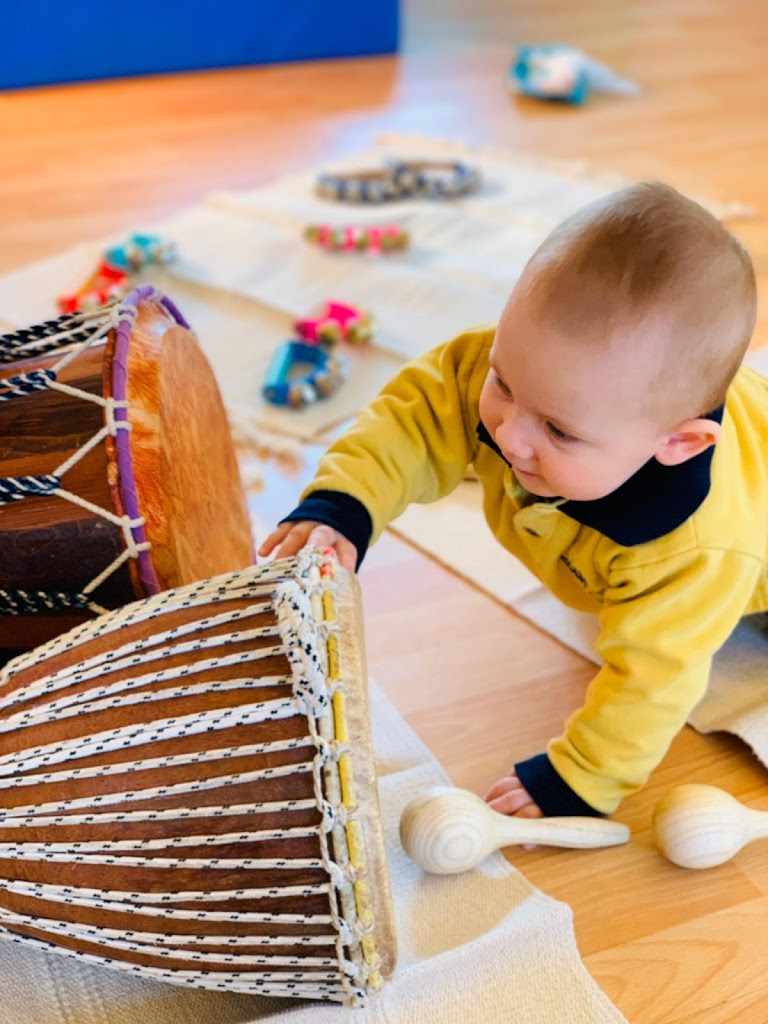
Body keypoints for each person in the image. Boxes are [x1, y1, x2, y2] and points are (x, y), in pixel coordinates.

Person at [259, 181, 766, 821]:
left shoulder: (694, 551)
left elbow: (656, 677)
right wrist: (345, 504)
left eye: (558, 430)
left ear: (677, 443)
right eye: (503, 381)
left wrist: (581, 778)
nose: (509, 435)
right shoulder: (533, 379)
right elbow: (411, 424)